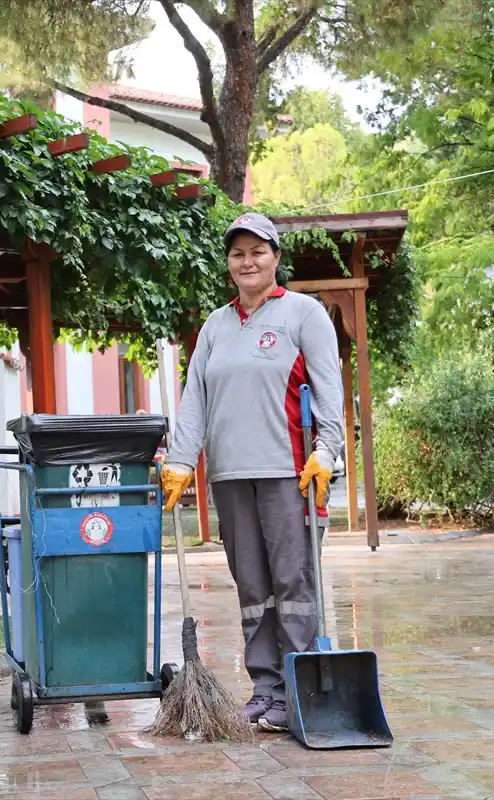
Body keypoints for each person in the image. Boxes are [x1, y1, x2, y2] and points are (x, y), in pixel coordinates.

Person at [161, 211, 343, 732]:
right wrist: (179, 459)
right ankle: (265, 687)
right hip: (230, 474)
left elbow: (329, 391)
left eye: (258, 252)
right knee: (252, 585)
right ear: (228, 263)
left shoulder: (304, 315)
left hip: (290, 470)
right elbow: (195, 397)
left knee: (293, 581)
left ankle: (298, 686)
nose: (248, 261)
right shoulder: (216, 326)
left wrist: (327, 449)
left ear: (276, 258)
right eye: (238, 253)